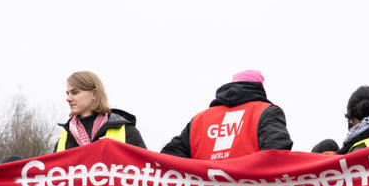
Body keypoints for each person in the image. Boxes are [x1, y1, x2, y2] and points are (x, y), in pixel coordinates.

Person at [162, 70, 292, 160]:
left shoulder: (200, 120)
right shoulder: (267, 112)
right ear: (259, 89)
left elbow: (168, 158)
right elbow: (277, 155)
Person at [56, 71, 146, 151]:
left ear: (94, 94)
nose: (68, 98)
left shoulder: (127, 131)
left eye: (74, 92)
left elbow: (144, 166)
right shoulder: (64, 137)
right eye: (67, 94)